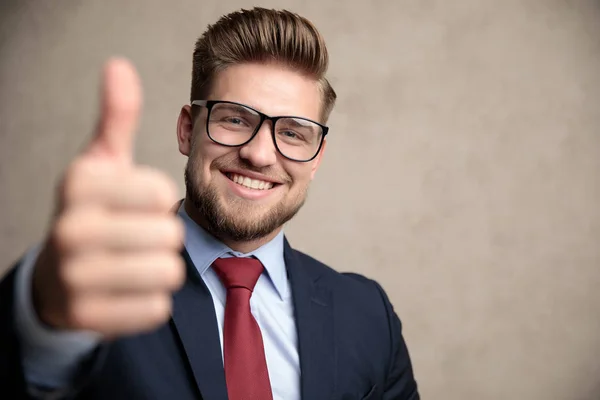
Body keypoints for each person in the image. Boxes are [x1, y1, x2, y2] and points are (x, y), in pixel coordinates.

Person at [0, 7, 419, 400]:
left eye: (293, 133)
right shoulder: (100, 284)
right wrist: (42, 318)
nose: (259, 155)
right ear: (187, 130)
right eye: (235, 119)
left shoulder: (368, 316)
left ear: (317, 158)